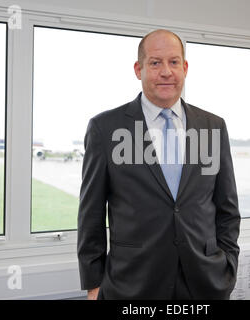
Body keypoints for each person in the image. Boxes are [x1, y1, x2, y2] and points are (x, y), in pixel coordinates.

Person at [77, 29, 240, 300]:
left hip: (204, 283)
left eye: (174, 62)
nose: (166, 71)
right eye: (155, 62)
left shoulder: (213, 126)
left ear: (185, 68)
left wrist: (227, 266)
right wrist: (94, 283)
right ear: (138, 69)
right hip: (132, 284)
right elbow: (90, 215)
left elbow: (228, 208)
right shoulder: (105, 128)